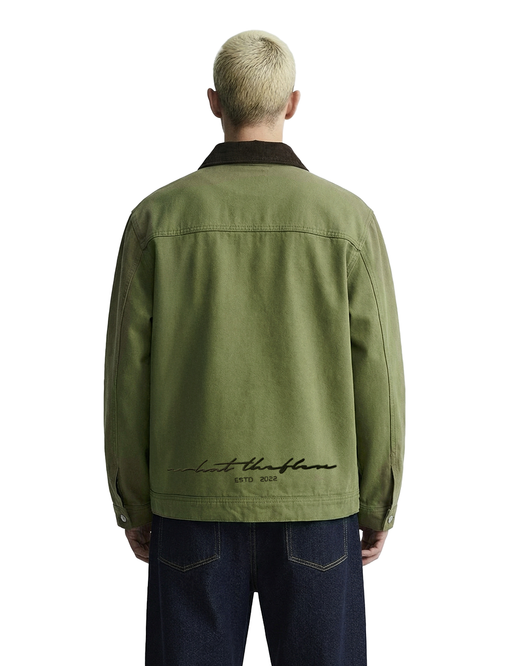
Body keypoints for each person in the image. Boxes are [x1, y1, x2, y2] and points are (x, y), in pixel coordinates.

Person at [104, 29, 405, 666]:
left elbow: (126, 377)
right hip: (318, 505)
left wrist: (134, 501)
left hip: (191, 501)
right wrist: (378, 500)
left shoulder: (156, 220)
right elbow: (378, 370)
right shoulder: (347, 221)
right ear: (292, 103)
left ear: (215, 103)